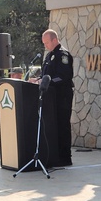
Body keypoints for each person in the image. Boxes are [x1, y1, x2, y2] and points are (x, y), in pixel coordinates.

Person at [32, 29, 74, 167]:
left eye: (46, 43)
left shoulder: (63, 55)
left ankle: (65, 157)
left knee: (62, 125)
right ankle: (55, 155)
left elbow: (63, 76)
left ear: (54, 40)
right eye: (43, 43)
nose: (45, 46)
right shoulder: (50, 55)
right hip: (51, 97)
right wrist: (38, 80)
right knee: (53, 126)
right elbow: (47, 75)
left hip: (62, 96)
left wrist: (46, 82)